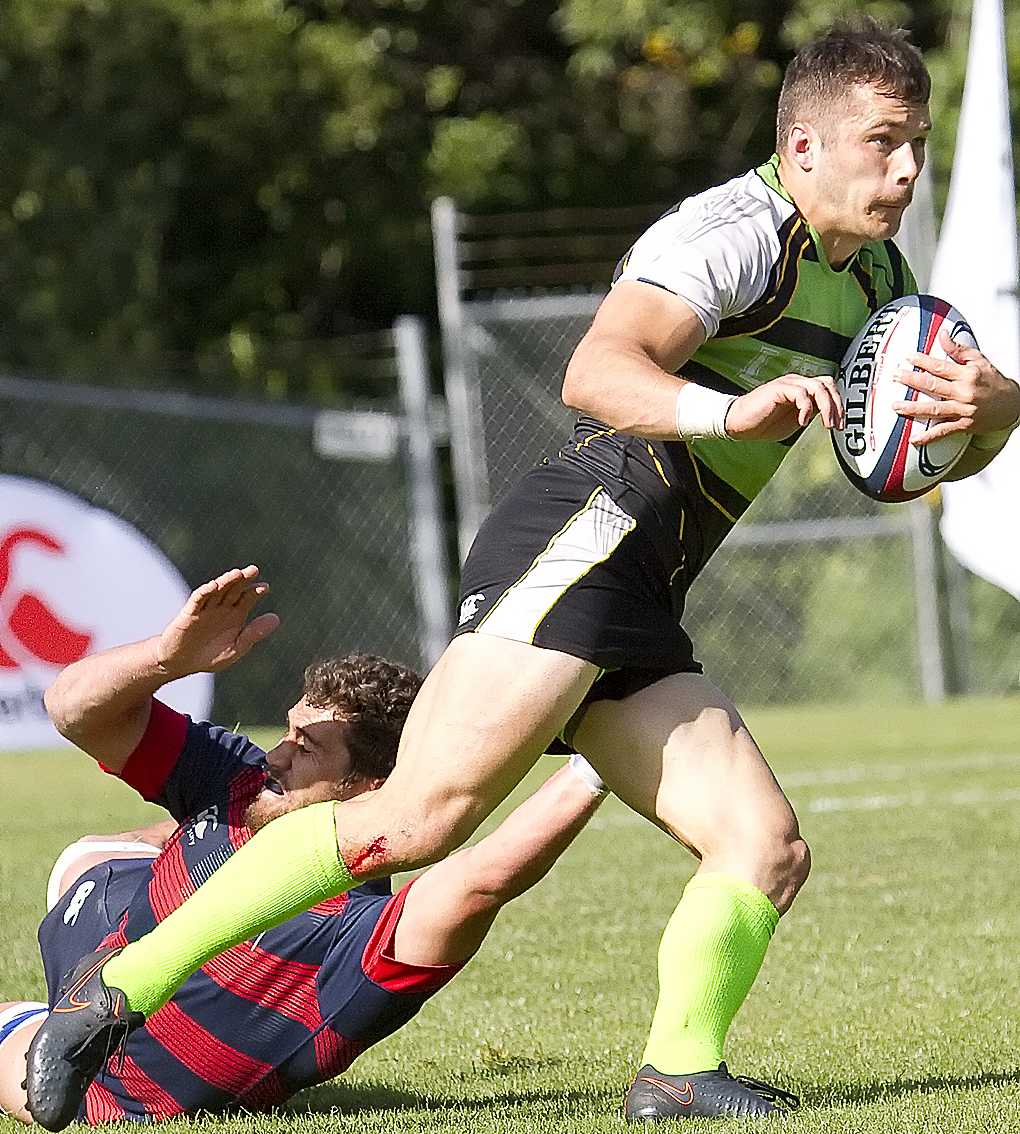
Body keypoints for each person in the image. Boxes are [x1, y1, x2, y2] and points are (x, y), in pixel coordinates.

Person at [27, 16, 1020, 1127]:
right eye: (882, 141)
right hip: (586, 534)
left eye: (918, 143)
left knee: (761, 844)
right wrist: (728, 408)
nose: (904, 168)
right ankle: (108, 997)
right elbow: (597, 368)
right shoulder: (733, 232)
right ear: (801, 147)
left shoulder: (880, 276)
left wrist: (998, 408)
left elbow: (913, 459)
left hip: (644, 585)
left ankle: (677, 1073)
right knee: (414, 820)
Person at [6, 566, 608, 1124]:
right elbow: (72, 708)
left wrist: (598, 763)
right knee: (86, 857)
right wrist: (167, 660)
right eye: (290, 730)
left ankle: (32, 1015)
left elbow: (480, 880)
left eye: (307, 748)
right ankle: (168, 845)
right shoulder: (246, 779)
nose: (276, 755)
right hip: (92, 945)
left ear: (375, 787)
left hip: (108, 1088)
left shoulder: (352, 937)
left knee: (17, 1026)